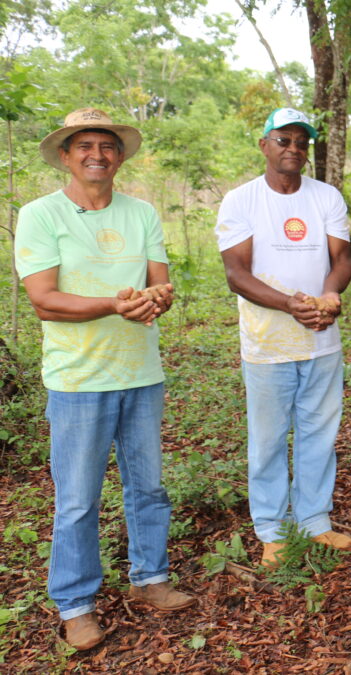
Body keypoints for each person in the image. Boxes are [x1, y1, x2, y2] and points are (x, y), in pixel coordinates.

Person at [14, 108, 193, 651]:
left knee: (149, 486)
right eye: (84, 145)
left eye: (107, 145)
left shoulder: (141, 213)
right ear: (66, 156)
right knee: (76, 498)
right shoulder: (42, 215)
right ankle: (75, 604)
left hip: (141, 373)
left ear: (120, 156)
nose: (97, 154)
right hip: (76, 379)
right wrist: (116, 306)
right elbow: (44, 301)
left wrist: (154, 298)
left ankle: (150, 578)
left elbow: (160, 284)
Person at [215, 108, 351, 566]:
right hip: (266, 343)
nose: (293, 149)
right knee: (270, 438)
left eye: (301, 142)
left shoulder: (326, 197)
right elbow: (236, 274)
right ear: (264, 145)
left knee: (319, 432)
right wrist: (289, 305)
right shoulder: (242, 201)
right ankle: (272, 529)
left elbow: (342, 257)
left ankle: (315, 520)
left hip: (321, 339)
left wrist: (328, 296)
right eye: (283, 140)